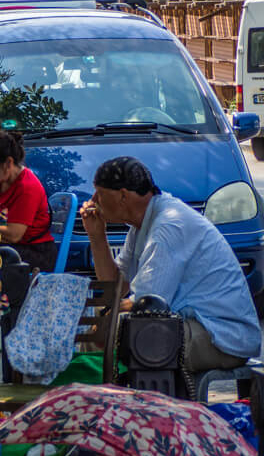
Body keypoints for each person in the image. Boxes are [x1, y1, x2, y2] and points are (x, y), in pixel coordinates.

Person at [82, 156, 261, 372]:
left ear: (122, 196)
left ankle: (102, 399)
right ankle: (99, 396)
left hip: (221, 336)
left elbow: (146, 305)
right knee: (96, 315)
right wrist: (96, 236)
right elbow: (114, 288)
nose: (95, 201)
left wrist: (103, 322)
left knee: (119, 330)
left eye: (100, 194)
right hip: (193, 325)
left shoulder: (168, 225)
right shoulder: (141, 226)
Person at [0, 129, 56, 271]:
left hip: (32, 253)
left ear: (9, 162)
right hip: (6, 245)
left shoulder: (27, 188)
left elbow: (14, 234)